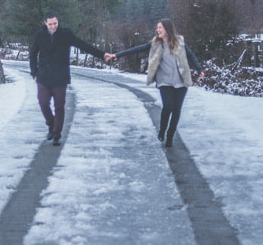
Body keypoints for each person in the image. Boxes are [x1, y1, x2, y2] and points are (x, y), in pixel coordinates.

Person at [108, 19, 204, 147]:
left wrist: (199, 69)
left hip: (181, 82)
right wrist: (117, 55)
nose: (157, 30)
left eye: (160, 27)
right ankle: (162, 130)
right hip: (164, 81)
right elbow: (137, 49)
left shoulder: (180, 42)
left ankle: (170, 136)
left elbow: (191, 55)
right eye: (157, 27)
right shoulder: (155, 44)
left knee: (176, 110)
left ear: (167, 29)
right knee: (168, 106)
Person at [29, 12, 112, 146]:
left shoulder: (65, 34)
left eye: (55, 23)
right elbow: (32, 55)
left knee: (59, 106)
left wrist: (102, 55)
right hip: (43, 77)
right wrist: (34, 73)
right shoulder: (40, 35)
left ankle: (56, 134)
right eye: (50, 24)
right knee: (43, 103)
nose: (53, 26)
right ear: (45, 23)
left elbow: (83, 45)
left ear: (58, 21)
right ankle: (51, 124)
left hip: (60, 77)